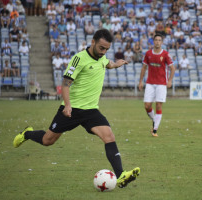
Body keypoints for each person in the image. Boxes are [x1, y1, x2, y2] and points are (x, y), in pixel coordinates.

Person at [13, 29, 140, 188]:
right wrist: (67, 105)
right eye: (101, 48)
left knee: (109, 136)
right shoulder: (78, 59)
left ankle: (121, 175)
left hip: (91, 111)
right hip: (71, 110)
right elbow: (65, 83)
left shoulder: (102, 57)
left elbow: (106, 63)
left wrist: (116, 65)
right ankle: (27, 133)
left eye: (107, 49)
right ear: (93, 42)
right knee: (48, 140)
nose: (104, 52)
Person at [138, 34, 175, 137]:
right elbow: (144, 68)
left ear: (161, 42)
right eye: (156, 40)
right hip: (150, 83)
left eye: (159, 40)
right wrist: (141, 81)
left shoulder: (166, 54)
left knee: (158, 105)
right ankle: (155, 120)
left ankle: (155, 130)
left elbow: (172, 68)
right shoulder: (148, 53)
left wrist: (170, 80)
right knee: (147, 106)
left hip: (161, 83)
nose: (158, 42)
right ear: (153, 41)